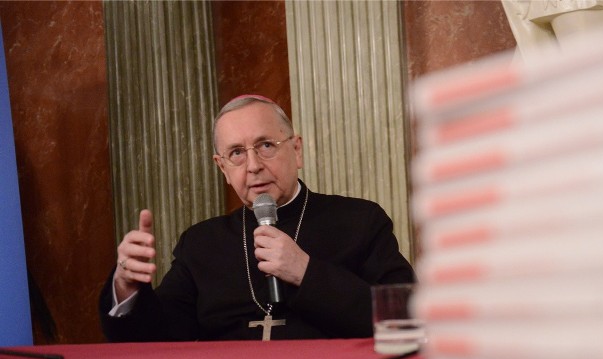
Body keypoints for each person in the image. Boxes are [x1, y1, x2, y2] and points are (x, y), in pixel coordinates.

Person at [99, 94, 415, 341]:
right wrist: (126, 287)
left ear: (297, 150)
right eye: (236, 152)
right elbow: (157, 339)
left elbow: (406, 318)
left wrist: (307, 273)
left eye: (265, 145)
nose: (253, 165)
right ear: (222, 168)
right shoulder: (201, 244)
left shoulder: (359, 221)